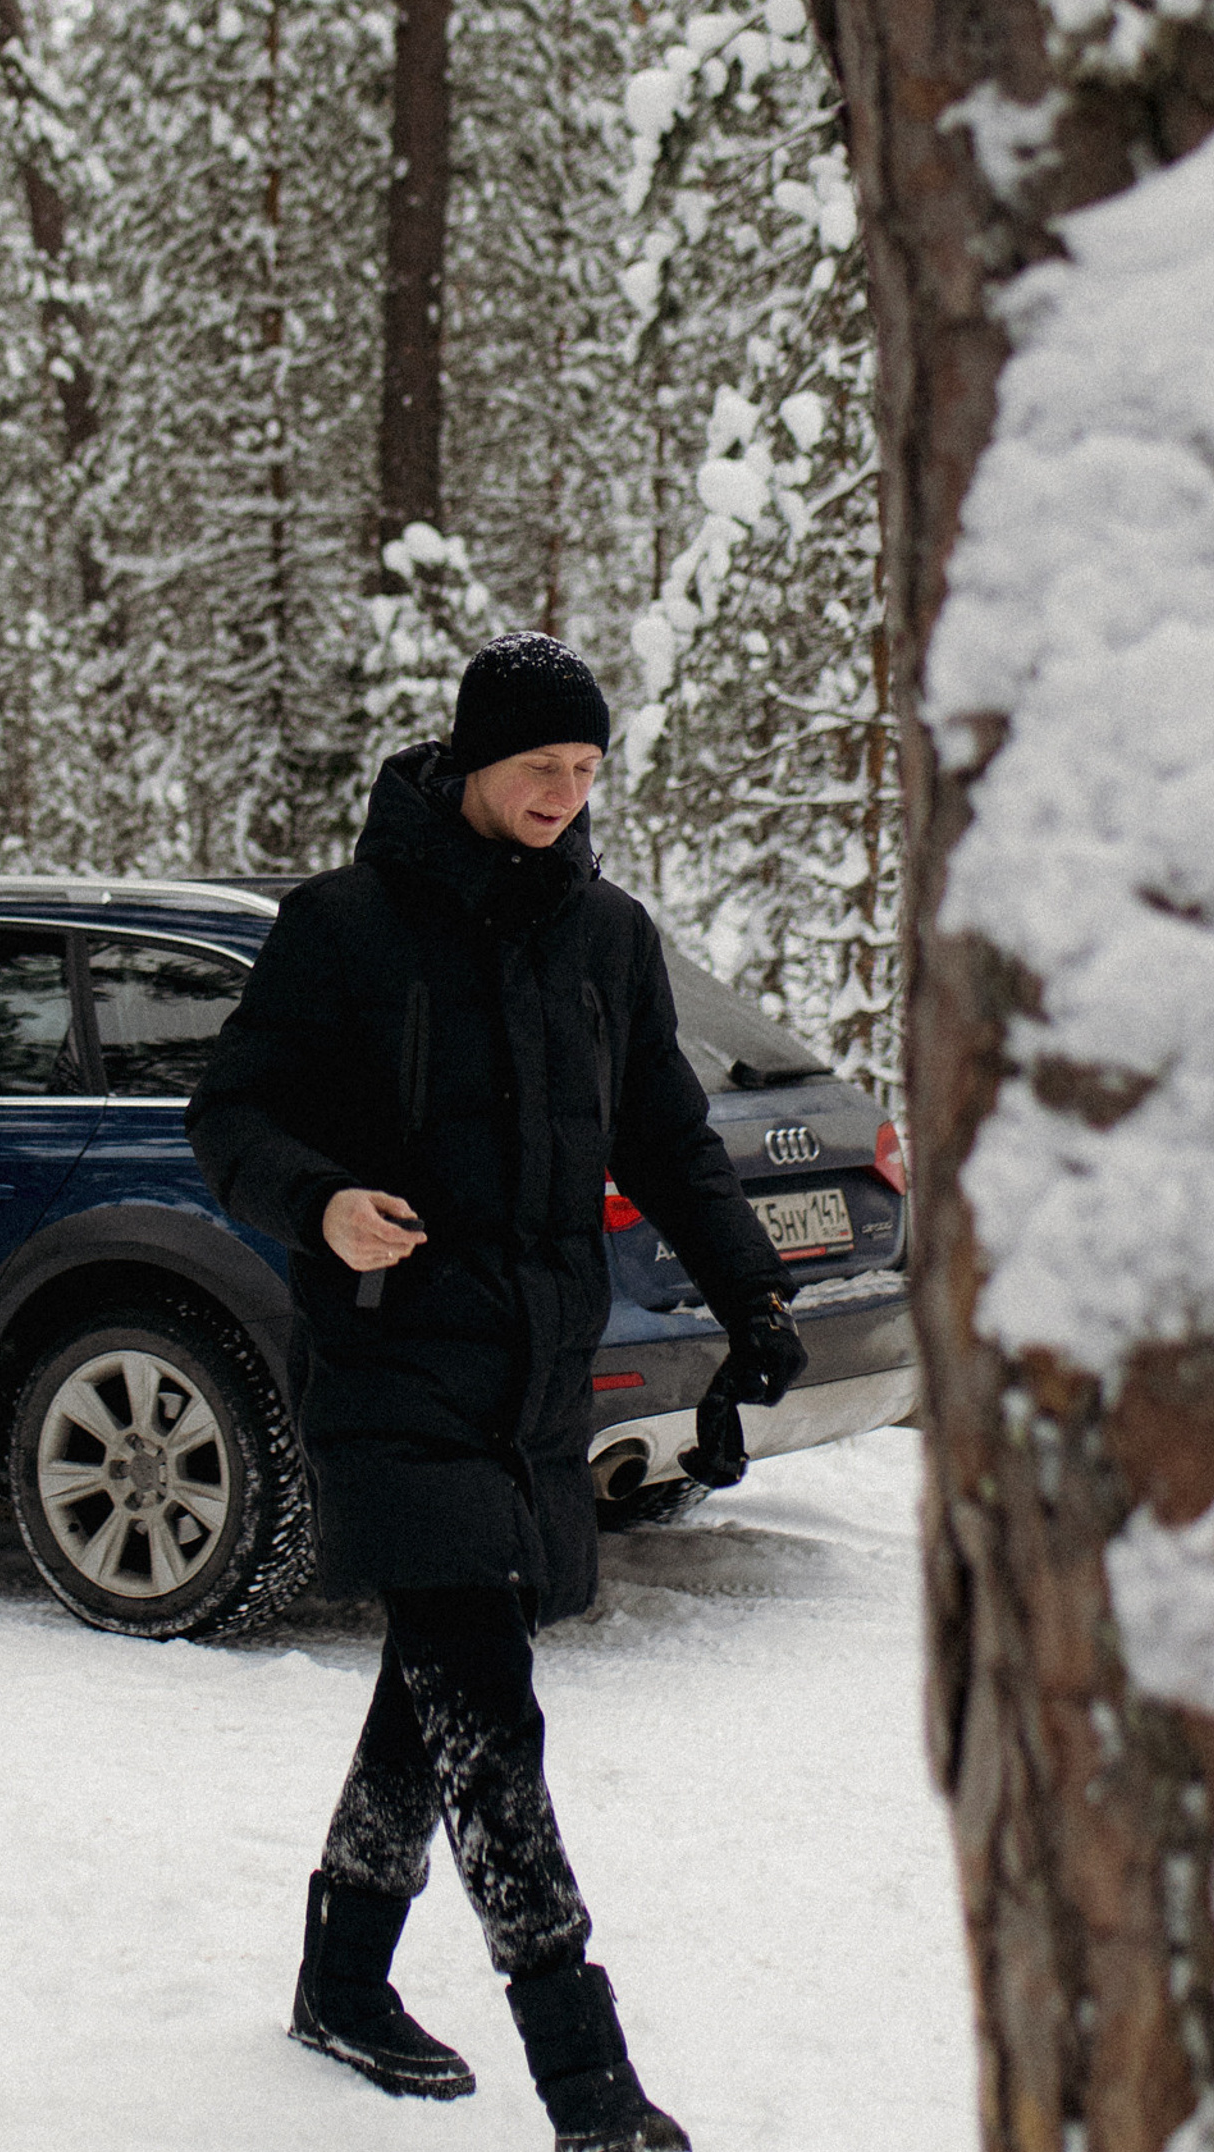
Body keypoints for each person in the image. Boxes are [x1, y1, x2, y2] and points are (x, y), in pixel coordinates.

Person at [185, 632, 807, 2152]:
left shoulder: (606, 939)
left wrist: (754, 1293)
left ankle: (341, 1978)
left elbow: (667, 1136)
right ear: (473, 762)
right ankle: (590, 2092)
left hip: (536, 1372)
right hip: (393, 1353)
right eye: (542, 767)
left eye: (588, 771)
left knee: (437, 1684)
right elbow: (231, 1113)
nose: (566, 794)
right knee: (489, 1709)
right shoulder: (342, 927)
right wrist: (322, 1201)